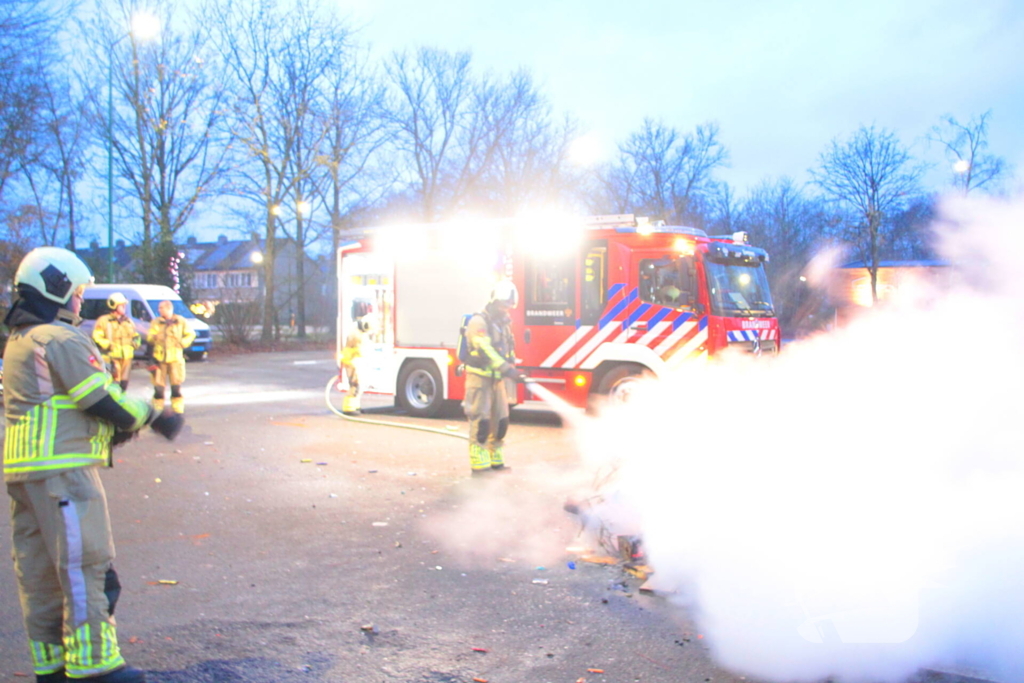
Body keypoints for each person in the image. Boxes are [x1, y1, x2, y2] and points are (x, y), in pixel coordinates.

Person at [3, 247, 184, 683]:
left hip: (25, 474)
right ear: (58, 287)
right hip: (63, 474)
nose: (81, 302)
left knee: (40, 574)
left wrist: (110, 431)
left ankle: (52, 666)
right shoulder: (59, 339)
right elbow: (101, 397)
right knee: (87, 568)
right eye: (78, 293)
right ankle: (95, 668)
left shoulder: (19, 341)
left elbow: (61, 406)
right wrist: (154, 416)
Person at [462, 279, 524, 474]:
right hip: (480, 379)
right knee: (481, 421)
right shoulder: (479, 321)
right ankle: (479, 462)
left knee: (501, 420)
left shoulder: (503, 323)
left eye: (509, 306)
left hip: (497, 380)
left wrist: (512, 366)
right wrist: (506, 368)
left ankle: (495, 458)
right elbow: (484, 347)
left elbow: (506, 347)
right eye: (504, 305)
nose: (507, 309)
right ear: (495, 301)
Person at [146, 300, 195, 414]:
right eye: (159, 308)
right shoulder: (156, 322)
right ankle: (157, 410)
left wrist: (182, 343)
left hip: (175, 359)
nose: (159, 310)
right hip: (159, 359)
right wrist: (154, 337)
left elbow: (190, 334)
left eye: (161, 308)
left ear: (169, 308)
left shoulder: (180, 321)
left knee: (176, 387)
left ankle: (177, 410)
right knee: (158, 388)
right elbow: (149, 337)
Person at [92, 293, 140, 392]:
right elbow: (97, 337)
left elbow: (135, 335)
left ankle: (122, 402)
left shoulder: (128, 321)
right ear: (114, 306)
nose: (124, 308)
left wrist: (135, 343)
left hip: (126, 358)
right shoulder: (104, 321)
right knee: (113, 385)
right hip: (111, 359)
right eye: (122, 306)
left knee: (124, 385)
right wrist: (109, 345)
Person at [340, 318, 370, 415]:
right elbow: (359, 349)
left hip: (353, 362)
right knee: (355, 384)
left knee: (356, 385)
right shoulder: (356, 335)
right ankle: (349, 407)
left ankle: (354, 405)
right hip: (353, 362)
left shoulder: (356, 333)